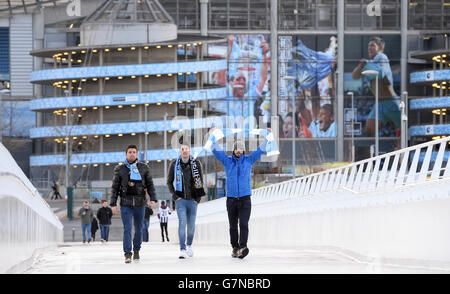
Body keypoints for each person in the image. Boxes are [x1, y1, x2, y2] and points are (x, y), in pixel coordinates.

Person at [210, 127, 270, 259]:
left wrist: (267, 137)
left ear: (243, 150)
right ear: (234, 150)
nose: (239, 151)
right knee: (232, 226)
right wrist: (212, 136)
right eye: (237, 148)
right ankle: (235, 247)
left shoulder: (248, 160)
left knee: (243, 224)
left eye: (241, 149)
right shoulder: (227, 161)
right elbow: (217, 150)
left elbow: (260, 150)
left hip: (245, 199)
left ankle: (243, 247)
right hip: (231, 199)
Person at [110, 144, 157, 264]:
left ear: (137, 154)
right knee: (127, 229)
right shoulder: (119, 169)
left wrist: (153, 199)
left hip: (140, 203)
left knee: (139, 229)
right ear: (126, 154)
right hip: (126, 204)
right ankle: (127, 253)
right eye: (130, 152)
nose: (132, 154)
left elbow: (150, 185)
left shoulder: (144, 167)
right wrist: (113, 203)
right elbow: (115, 188)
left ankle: (136, 250)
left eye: (134, 152)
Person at [352, 37, 401, 137]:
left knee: (404, 128)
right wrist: (361, 65)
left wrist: (367, 65)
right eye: (368, 46)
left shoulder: (381, 57)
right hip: (379, 104)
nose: (369, 48)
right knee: (369, 131)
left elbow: (381, 73)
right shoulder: (369, 64)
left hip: (391, 102)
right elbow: (355, 76)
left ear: (380, 47)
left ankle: (402, 146)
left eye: (372, 45)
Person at [167, 142, 205, 259]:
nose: (184, 151)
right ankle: (182, 249)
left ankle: (189, 246)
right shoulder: (174, 164)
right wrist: (175, 197)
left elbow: (200, 181)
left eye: (187, 149)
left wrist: (197, 199)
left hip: (193, 200)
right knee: (182, 224)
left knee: (191, 226)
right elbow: (169, 182)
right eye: (182, 149)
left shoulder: (196, 163)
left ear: (190, 150)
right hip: (181, 200)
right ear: (180, 151)